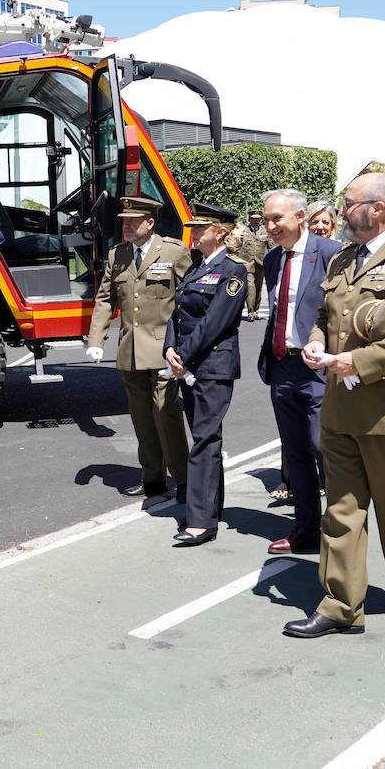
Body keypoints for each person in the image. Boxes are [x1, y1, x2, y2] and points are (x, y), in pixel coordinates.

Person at [284, 173, 385, 639]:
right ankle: (340, 604)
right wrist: (317, 343)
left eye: (349, 202)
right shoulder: (343, 258)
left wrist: (358, 361)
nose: (341, 210)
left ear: (376, 208)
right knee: (340, 512)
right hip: (342, 408)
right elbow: (325, 315)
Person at [86, 196, 192, 499]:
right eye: (124, 221)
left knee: (166, 415)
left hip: (164, 351)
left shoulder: (173, 252)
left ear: (151, 222)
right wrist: (96, 340)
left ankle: (184, 480)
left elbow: (189, 299)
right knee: (142, 420)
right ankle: (153, 480)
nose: (127, 226)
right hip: (130, 352)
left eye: (134, 221)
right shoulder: (118, 255)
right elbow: (105, 299)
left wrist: (186, 346)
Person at [258, 189, 342, 554]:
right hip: (282, 365)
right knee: (295, 452)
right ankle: (306, 528)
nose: (270, 226)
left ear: (301, 216)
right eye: (266, 220)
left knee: (325, 447)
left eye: (277, 218)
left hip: (318, 367)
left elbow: (341, 310)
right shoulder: (272, 259)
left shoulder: (330, 253)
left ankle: (340, 531)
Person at [163, 205, 249, 546]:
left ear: (221, 232)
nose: (194, 233)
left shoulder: (233, 271)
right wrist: (170, 348)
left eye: (201, 228)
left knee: (204, 439)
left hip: (212, 366)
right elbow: (177, 312)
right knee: (205, 437)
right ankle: (211, 508)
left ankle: (200, 521)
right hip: (189, 363)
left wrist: (182, 355)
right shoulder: (196, 266)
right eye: (193, 228)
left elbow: (215, 322)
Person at [240, 210, 270, 320]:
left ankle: (256, 310)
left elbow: (271, 247)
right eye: (253, 219)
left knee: (258, 287)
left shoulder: (265, 231)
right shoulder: (244, 231)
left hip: (260, 264)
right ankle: (250, 311)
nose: (256, 221)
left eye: (258, 219)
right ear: (249, 219)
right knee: (250, 287)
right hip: (247, 263)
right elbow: (237, 246)